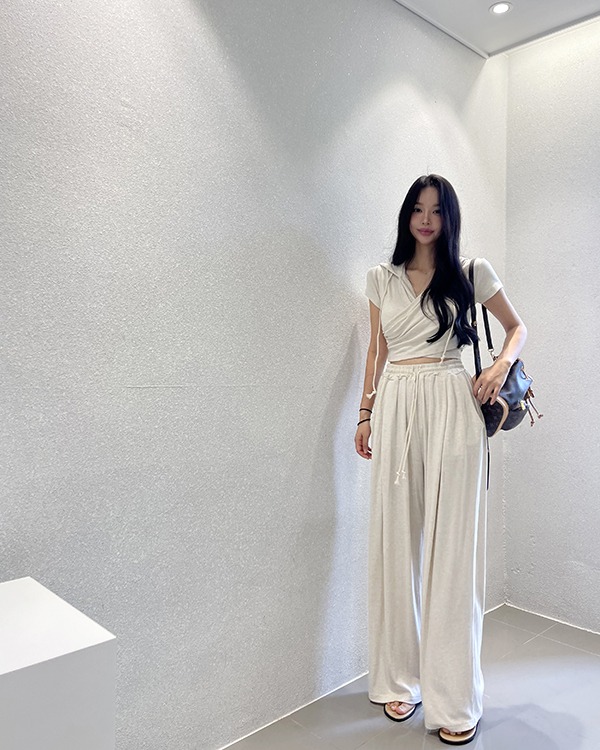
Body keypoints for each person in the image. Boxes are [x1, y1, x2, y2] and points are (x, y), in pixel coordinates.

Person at [354, 174, 526, 746]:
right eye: (417, 210)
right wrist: (364, 413)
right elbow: (377, 350)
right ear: (407, 216)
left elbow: (517, 327)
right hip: (396, 404)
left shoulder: (470, 273)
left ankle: (454, 698)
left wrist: (500, 365)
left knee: (454, 552)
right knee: (395, 543)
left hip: (453, 404)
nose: (426, 220)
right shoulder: (381, 278)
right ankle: (398, 678)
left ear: (449, 219)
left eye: (436, 211)